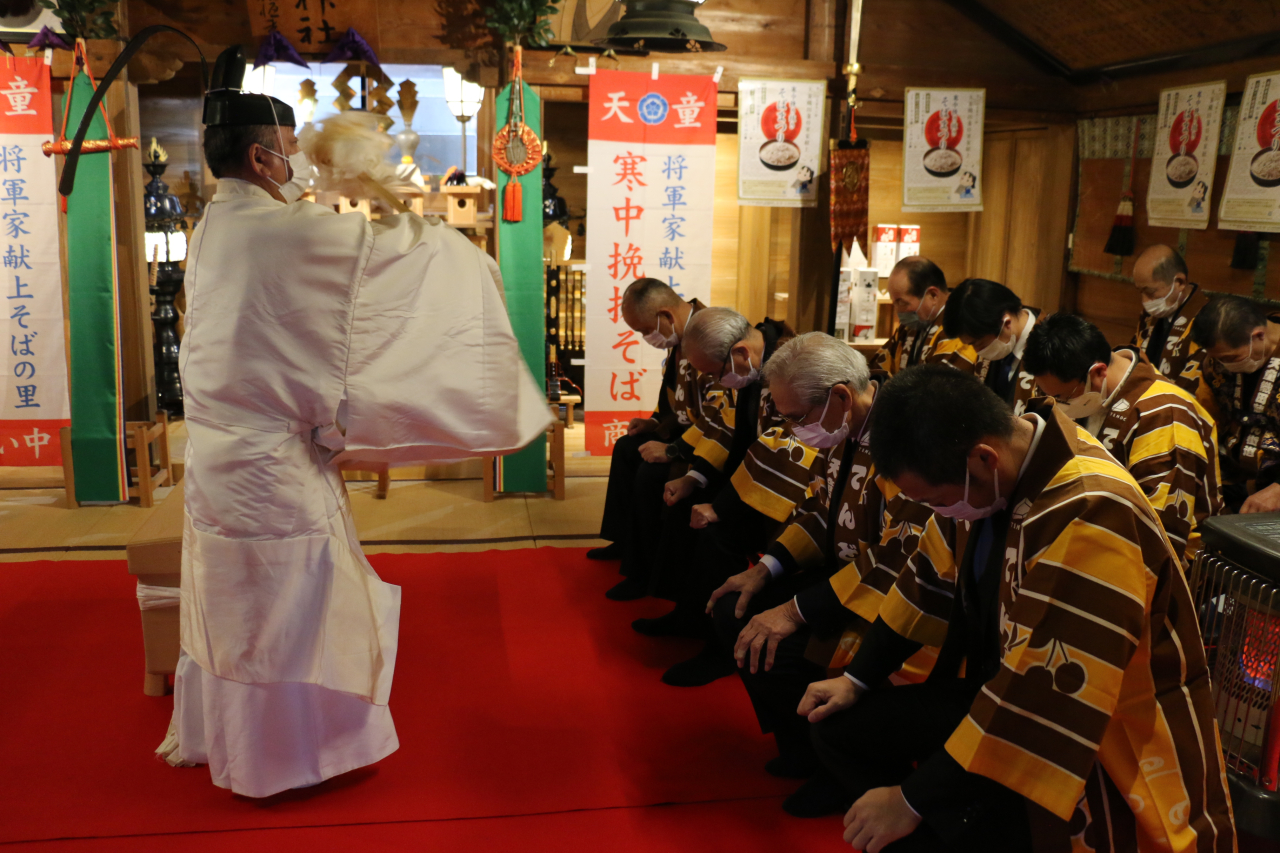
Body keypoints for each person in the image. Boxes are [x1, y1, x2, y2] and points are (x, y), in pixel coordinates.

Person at [154, 47, 551, 797]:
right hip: (271, 465)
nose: (298, 161)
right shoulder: (279, 232)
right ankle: (285, 758)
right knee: (288, 607)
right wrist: (429, 231)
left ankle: (236, 742)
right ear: (261, 156)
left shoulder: (216, 226)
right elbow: (394, 259)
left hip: (218, 460)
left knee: (238, 602)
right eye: (291, 150)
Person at [800, 366, 1234, 852]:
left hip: (1093, 729)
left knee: (925, 812)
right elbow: (925, 584)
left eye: (937, 501)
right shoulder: (986, 480)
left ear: (984, 457)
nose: (939, 512)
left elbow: (1045, 688)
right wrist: (856, 679)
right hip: (1001, 691)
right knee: (840, 729)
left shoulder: (1090, 509)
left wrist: (911, 800)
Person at [705, 333, 953, 818]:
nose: (792, 428)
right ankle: (799, 748)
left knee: (783, 644)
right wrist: (765, 570)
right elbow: (818, 507)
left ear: (840, 396)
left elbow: (901, 550)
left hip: (895, 595)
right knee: (735, 607)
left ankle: (836, 767)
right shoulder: (845, 426)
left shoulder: (907, 436)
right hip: (844, 575)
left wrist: (795, 611)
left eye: (795, 417)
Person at [633, 308, 824, 687]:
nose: (712, 381)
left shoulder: (788, 370)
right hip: (754, 479)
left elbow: (783, 447)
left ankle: (719, 650)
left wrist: (722, 507)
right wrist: (693, 476)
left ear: (739, 353)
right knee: (684, 501)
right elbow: (722, 425)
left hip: (797, 492)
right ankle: (686, 614)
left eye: (713, 373)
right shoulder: (746, 369)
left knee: (719, 534)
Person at [1024, 313, 1221, 563]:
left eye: (1063, 397)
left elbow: (1161, 529)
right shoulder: (1090, 390)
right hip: (1095, 534)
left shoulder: (1164, 412)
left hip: (1156, 560)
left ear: (1098, 372)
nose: (1060, 406)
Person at [588, 278, 709, 601]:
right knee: (628, 447)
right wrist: (654, 422)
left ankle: (642, 571)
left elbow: (719, 416)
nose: (646, 338)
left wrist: (673, 450)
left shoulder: (709, 335)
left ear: (666, 316)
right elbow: (674, 399)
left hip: (709, 440)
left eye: (644, 330)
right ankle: (624, 540)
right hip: (684, 429)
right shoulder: (681, 333)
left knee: (650, 473)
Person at [1192, 293, 1280, 513]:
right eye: (1218, 359)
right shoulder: (1216, 363)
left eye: (1231, 358)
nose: (1223, 365)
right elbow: (1207, 419)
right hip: (1235, 479)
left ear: (1258, 335)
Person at [941, 278, 1040, 415]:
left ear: (1006, 323)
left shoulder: (1053, 346)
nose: (976, 351)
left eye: (977, 343)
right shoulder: (999, 344)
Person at [872, 256, 978, 376]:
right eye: (894, 302)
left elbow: (943, 387)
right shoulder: (910, 327)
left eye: (902, 303)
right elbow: (879, 368)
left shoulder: (958, 330)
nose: (897, 310)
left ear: (933, 295)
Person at [1131, 244, 1208, 394]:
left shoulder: (1206, 320)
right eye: (1141, 291)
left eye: (1150, 292)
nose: (1145, 300)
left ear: (1179, 282)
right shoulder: (1150, 315)